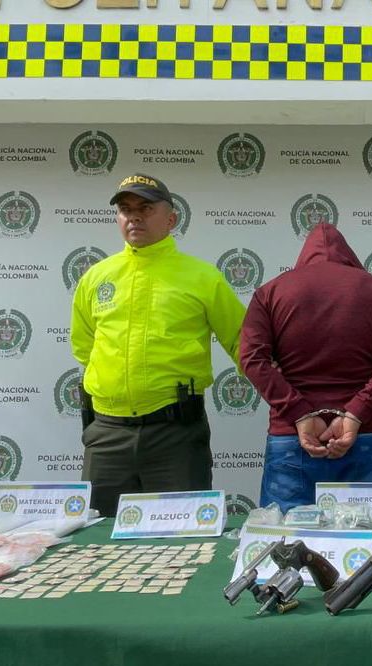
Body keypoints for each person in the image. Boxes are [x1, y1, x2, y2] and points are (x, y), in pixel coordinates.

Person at [70, 173, 246, 516]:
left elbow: (243, 343)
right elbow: (84, 346)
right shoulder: (96, 278)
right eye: (125, 209)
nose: (134, 216)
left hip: (175, 436)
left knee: (182, 542)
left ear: (171, 219)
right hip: (107, 435)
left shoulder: (203, 277)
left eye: (145, 208)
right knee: (99, 544)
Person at [240, 223, 372, 512]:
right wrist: (356, 413)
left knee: (284, 544)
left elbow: (252, 359)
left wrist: (299, 413)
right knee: (371, 547)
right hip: (363, 434)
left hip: (291, 436)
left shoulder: (270, 292)